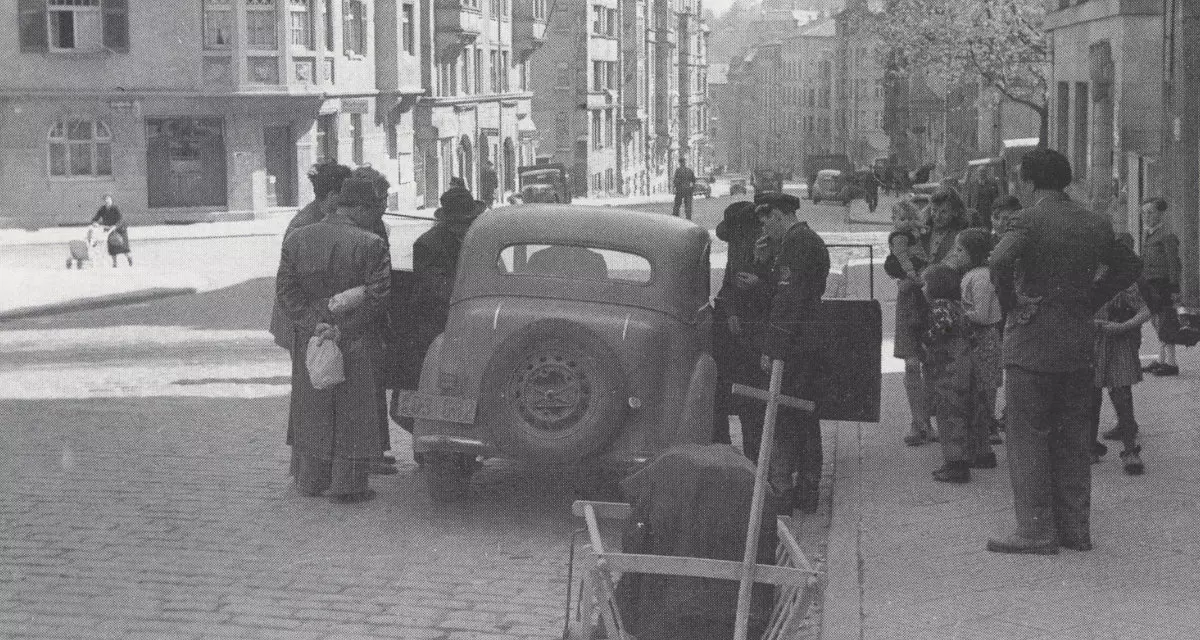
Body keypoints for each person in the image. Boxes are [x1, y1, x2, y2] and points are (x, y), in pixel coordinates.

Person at [987, 148, 1141, 554]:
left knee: (1029, 433)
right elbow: (1129, 267)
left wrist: (1012, 305)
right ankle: (1075, 530)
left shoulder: (1030, 219)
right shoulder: (1094, 222)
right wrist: (1090, 300)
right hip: (1077, 339)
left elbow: (999, 261)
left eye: (1022, 179)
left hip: (1032, 339)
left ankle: (1035, 530)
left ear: (1032, 182)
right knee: (1074, 435)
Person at [277, 177, 392, 503]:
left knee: (312, 405)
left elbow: (286, 292)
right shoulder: (371, 244)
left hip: (311, 340)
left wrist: (316, 326)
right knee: (353, 409)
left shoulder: (298, 239)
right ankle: (347, 484)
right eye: (377, 208)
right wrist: (343, 330)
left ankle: (310, 480)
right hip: (354, 339)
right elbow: (379, 297)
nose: (380, 216)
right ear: (361, 208)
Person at [396, 186, 486, 462]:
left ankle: (465, 448)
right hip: (434, 325)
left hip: (469, 324)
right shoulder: (428, 244)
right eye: (461, 222)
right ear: (449, 221)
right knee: (431, 388)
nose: (465, 227)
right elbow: (433, 287)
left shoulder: (479, 241)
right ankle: (429, 452)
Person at [753, 191, 830, 513]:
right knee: (805, 418)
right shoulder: (804, 241)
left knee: (786, 418)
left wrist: (773, 349)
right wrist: (763, 264)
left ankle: (784, 491)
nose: (763, 229)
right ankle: (807, 490)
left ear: (780, 215)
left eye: (766, 220)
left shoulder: (798, 244)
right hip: (807, 341)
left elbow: (788, 301)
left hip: (796, 346)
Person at [271, 162, 353, 350]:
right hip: (303, 319)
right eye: (347, 195)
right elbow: (292, 286)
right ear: (333, 196)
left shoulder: (327, 216)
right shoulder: (303, 227)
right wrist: (314, 323)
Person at [712, 201, 771, 460]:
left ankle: (751, 461)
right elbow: (730, 284)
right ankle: (732, 454)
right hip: (734, 329)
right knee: (728, 397)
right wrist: (731, 311)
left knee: (749, 401)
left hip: (752, 332)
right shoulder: (741, 246)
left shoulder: (761, 246)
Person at [1091, 241, 1149, 475]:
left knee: (1122, 396)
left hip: (1118, 343)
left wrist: (1123, 326)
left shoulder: (1124, 285)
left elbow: (1145, 311)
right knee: (1090, 398)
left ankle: (1130, 449)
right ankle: (1089, 446)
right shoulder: (1085, 282)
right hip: (1092, 343)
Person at [946, 228, 1002, 464]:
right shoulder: (974, 275)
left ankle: (982, 448)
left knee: (979, 394)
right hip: (978, 339)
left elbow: (980, 314)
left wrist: (957, 313)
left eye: (961, 250)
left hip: (982, 339)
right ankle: (979, 445)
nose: (956, 255)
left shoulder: (979, 277)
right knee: (977, 394)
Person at [919, 263, 974, 482]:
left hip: (947, 369)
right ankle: (956, 461)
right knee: (958, 416)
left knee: (948, 417)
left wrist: (925, 339)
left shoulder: (939, 307)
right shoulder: (958, 305)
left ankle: (955, 464)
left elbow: (940, 329)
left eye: (925, 284)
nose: (922, 289)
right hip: (961, 366)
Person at [885, 225, 933, 447]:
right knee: (912, 365)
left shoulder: (928, 237)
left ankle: (929, 421)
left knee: (932, 366)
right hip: (908, 308)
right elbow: (895, 267)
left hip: (930, 305)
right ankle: (918, 421)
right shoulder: (901, 241)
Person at [1138, 198, 1182, 376]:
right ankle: (1162, 360)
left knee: (1165, 322)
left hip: (1163, 284)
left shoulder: (1167, 235)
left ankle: (1171, 364)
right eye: (1144, 213)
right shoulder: (1148, 233)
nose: (1147, 216)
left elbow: (1174, 264)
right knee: (1156, 322)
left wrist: (1174, 288)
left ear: (1160, 214)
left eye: (1151, 212)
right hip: (1150, 284)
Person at [922, 188, 969, 264]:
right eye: (934, 210)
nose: (937, 216)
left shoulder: (960, 236)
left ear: (955, 212)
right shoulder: (923, 228)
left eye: (943, 212)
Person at [92, 194, 133, 268]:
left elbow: (121, 219)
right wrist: (95, 222)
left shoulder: (115, 208)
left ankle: (129, 258)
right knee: (112, 248)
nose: (107, 201)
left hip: (120, 230)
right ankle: (114, 263)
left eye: (108, 199)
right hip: (109, 230)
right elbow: (96, 217)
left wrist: (116, 226)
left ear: (111, 200)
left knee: (123, 247)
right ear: (104, 201)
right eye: (105, 200)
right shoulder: (102, 209)